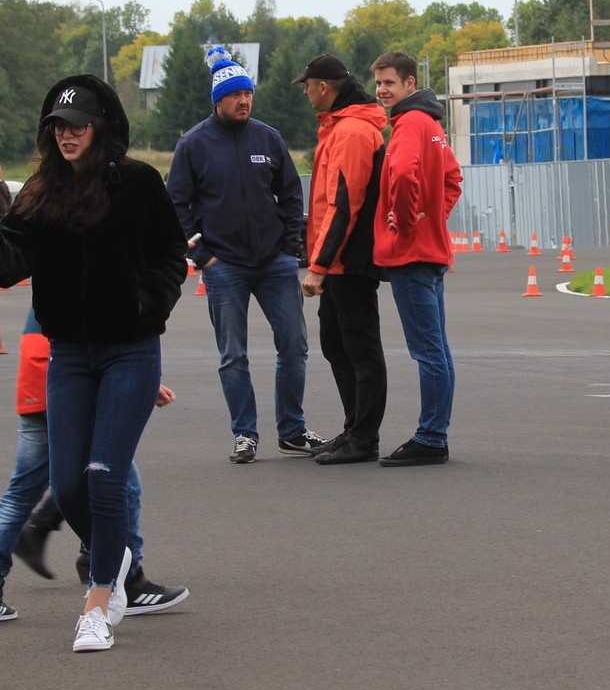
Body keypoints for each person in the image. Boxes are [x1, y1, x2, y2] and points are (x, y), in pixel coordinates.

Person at [0, 73, 185, 653]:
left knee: (104, 474)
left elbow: (170, 254)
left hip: (130, 349)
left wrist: (147, 301)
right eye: (57, 125)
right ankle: (117, 557)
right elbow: (13, 258)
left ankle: (98, 604)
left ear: (101, 127)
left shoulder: (137, 182)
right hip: (68, 355)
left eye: (78, 125)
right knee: (66, 483)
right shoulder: (41, 189)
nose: (67, 134)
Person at [0, 309, 187, 623]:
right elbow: (91, 352)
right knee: (119, 482)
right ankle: (128, 579)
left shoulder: (47, 300)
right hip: (67, 394)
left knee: (22, 492)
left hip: (34, 392)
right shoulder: (72, 300)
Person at [166, 46, 324, 464]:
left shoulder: (267, 137)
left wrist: (289, 246)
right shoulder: (193, 144)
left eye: (248, 93)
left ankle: (292, 430)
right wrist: (202, 255)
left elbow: (291, 194)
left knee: (294, 346)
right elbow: (175, 205)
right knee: (233, 355)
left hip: (274, 262)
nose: (244, 101)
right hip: (224, 266)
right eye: (235, 95)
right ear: (218, 99)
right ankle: (245, 434)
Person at [295, 53, 388, 465]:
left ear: (323, 87)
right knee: (336, 345)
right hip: (337, 260)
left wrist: (318, 265)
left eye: (307, 86)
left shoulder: (351, 131)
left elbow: (344, 204)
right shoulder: (339, 126)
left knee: (360, 349)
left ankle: (364, 438)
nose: (306, 93)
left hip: (349, 260)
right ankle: (354, 429)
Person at [371, 51, 463, 467]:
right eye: (378, 83)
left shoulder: (408, 123)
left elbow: (405, 174)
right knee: (438, 348)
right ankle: (434, 433)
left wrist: (407, 222)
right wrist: (432, 216)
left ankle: (431, 436)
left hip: (410, 255)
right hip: (431, 252)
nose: (382, 90)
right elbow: (452, 178)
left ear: (410, 83)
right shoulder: (432, 124)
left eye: (389, 82)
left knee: (428, 351)